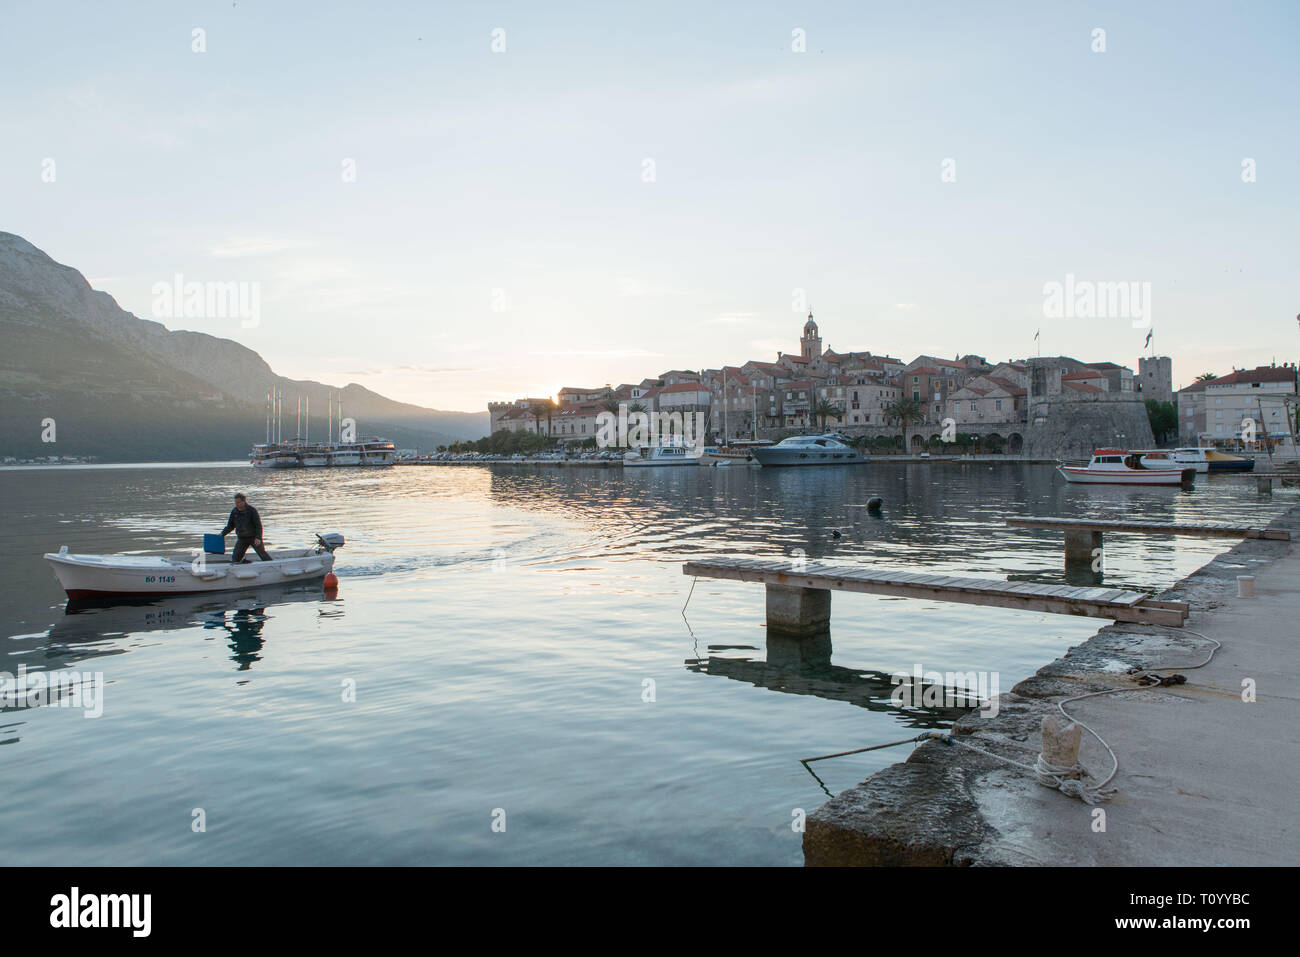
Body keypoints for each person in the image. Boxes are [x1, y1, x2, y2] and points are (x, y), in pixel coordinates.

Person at [220, 493, 272, 563]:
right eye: (236, 502)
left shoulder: (252, 510)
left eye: (238, 502)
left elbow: (258, 526)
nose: (237, 504)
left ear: (244, 501)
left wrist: (258, 537)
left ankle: (271, 564)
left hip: (253, 537)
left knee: (263, 555)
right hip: (242, 538)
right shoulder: (234, 511)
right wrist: (222, 534)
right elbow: (230, 526)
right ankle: (243, 562)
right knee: (235, 558)